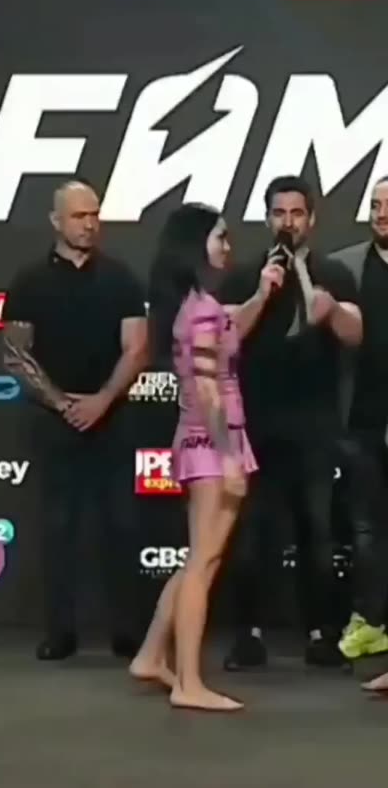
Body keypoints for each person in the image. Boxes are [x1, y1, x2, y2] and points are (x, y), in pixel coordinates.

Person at [130, 203, 284, 711]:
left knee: (202, 556)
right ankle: (188, 683)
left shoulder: (201, 307)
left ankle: (152, 655)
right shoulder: (200, 311)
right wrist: (229, 456)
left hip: (209, 440)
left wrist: (262, 294)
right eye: (220, 237)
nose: (227, 246)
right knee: (203, 563)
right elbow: (208, 390)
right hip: (213, 444)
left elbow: (231, 328)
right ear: (196, 245)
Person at [220, 176, 362, 670]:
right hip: (255, 422)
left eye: (296, 213)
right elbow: (225, 335)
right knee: (251, 533)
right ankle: (248, 635)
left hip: (314, 423)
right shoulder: (245, 276)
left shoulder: (334, 273)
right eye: (279, 213)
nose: (288, 222)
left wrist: (330, 310)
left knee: (316, 531)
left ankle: (322, 634)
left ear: (311, 219)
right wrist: (262, 295)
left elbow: (355, 333)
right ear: (267, 219)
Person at [3, 180, 148, 660]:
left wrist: (102, 400)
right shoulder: (29, 281)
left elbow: (137, 348)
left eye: (94, 215)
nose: (89, 224)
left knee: (122, 525)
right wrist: (64, 404)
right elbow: (16, 355)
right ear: (56, 221)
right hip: (53, 419)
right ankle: (60, 632)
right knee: (58, 527)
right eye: (79, 216)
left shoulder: (121, 278)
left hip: (113, 416)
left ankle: (126, 631)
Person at [330, 176, 388, 685]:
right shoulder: (345, 267)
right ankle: (371, 620)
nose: (381, 213)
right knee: (366, 530)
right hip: (361, 422)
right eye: (375, 204)